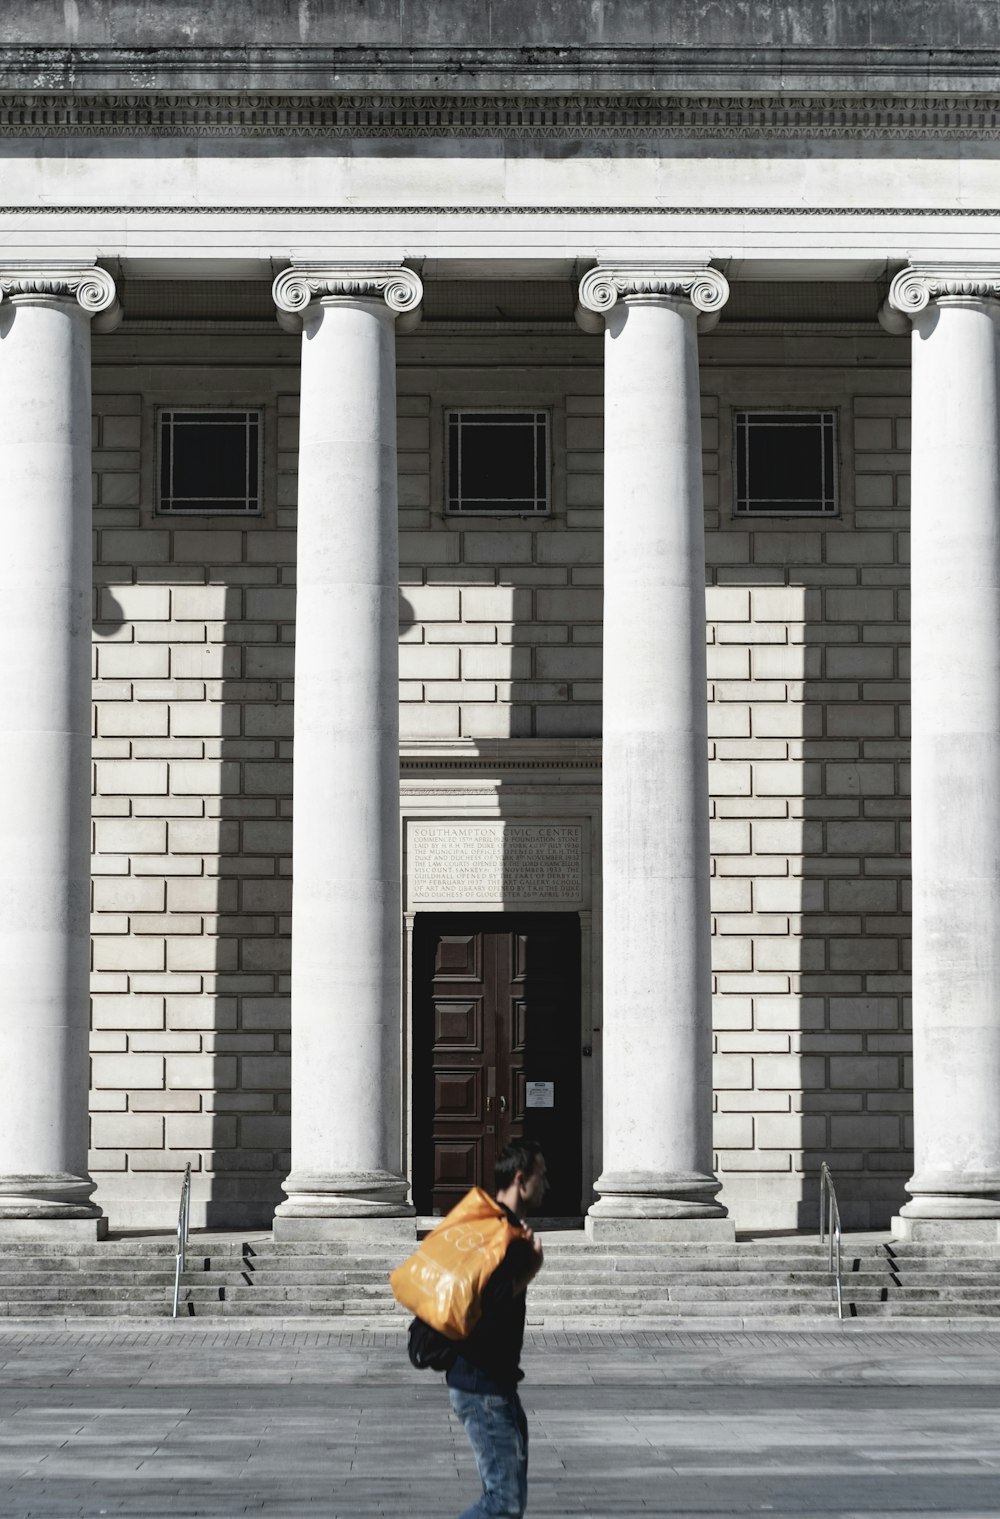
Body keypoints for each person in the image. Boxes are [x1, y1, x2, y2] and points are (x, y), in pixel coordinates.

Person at [447, 1139, 547, 1519]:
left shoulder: (495, 1226)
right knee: (502, 1504)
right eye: (542, 1176)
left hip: (493, 1383)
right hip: (481, 1385)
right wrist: (530, 1271)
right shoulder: (497, 1233)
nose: (547, 1185)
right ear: (521, 1180)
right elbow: (487, 1300)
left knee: (509, 1502)